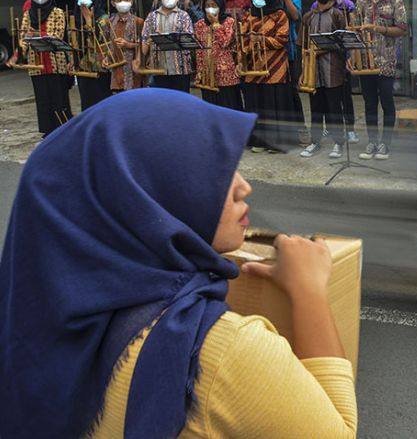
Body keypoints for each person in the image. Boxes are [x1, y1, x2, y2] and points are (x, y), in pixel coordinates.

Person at [0, 89, 358, 439]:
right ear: (144, 195)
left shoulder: (33, 316)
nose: (243, 187)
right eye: (209, 172)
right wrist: (309, 291)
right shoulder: (218, 351)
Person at [351, 0, 408, 161]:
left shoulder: (395, 2)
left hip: (386, 62)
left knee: (386, 101)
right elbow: (354, 33)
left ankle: (386, 143)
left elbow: (402, 30)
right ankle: (372, 141)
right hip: (365, 63)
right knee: (369, 103)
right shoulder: (361, 3)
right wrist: (352, 57)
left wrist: (379, 29)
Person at [6, 0, 72, 137]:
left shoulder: (58, 13)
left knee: (59, 97)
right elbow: (23, 37)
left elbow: (57, 35)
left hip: (56, 62)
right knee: (43, 98)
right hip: (37, 64)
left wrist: (38, 34)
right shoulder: (29, 14)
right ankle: (48, 131)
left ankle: (63, 128)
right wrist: (16, 56)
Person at [239, 0, 298, 153]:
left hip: (275, 68)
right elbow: (243, 39)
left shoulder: (280, 14)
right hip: (254, 67)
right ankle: (259, 140)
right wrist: (248, 44)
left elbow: (282, 39)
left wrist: (261, 40)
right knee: (257, 104)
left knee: (274, 105)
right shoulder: (249, 15)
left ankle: (278, 142)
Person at [298, 0, 347, 159]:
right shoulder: (308, 17)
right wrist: (303, 71)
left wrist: (324, 48)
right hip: (312, 71)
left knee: (334, 108)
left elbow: (343, 42)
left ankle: (338, 143)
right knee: (316, 108)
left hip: (332, 70)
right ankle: (315, 142)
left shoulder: (337, 15)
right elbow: (302, 45)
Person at [315, 0, 359, 144]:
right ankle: (329, 126)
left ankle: (350, 129)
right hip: (323, 57)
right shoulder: (315, 5)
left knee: (345, 95)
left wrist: (352, 55)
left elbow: (354, 30)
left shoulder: (347, 5)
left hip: (344, 56)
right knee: (325, 95)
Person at [268, 0, 307, 145]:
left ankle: (301, 129)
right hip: (269, 49)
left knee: (292, 90)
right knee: (275, 91)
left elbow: (296, 15)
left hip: (288, 47)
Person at [137, 0, 194, 93]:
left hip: (180, 69)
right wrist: (139, 59)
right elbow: (144, 40)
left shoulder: (184, 16)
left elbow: (188, 40)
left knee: (181, 103)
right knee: (162, 103)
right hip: (158, 69)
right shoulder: (151, 17)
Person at [194, 0, 242, 110]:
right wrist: (200, 71)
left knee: (228, 106)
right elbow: (199, 50)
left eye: (214, 5)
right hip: (208, 73)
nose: (210, 8)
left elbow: (225, 42)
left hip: (227, 73)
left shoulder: (229, 22)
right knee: (210, 107)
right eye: (207, 6)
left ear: (220, 5)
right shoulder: (199, 25)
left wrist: (216, 25)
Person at [72, 0, 113, 110]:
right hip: (83, 66)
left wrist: (90, 22)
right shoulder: (76, 19)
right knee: (87, 103)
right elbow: (74, 42)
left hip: (100, 67)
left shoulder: (103, 18)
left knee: (101, 102)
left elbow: (101, 41)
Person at [108, 0, 145, 92]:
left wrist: (127, 44)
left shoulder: (138, 22)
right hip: (116, 73)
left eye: (126, 0)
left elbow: (144, 45)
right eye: (119, 1)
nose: (123, 3)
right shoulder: (109, 22)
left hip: (134, 73)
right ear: (113, 3)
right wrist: (106, 59)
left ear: (131, 1)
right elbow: (106, 44)